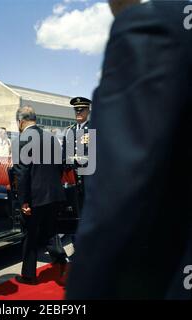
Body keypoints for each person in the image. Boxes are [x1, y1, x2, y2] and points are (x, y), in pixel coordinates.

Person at [66, 0, 192, 299]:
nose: (79, 115)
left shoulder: (156, 26)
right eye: (77, 112)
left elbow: (120, 185)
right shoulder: (72, 132)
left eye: (81, 111)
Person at [12, 105, 68, 285]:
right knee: (51, 231)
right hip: (53, 194)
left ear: (20, 122)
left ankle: (29, 275)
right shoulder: (51, 137)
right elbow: (60, 166)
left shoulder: (21, 140)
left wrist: (24, 201)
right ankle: (62, 262)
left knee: (30, 235)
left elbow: (21, 174)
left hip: (34, 197)